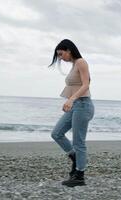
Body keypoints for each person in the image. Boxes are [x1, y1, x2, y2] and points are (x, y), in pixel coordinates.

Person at [48, 39, 95, 187]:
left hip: (83, 105)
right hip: (75, 105)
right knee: (56, 133)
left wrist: (71, 99)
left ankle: (79, 175)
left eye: (61, 54)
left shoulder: (81, 62)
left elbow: (86, 84)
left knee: (78, 142)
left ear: (69, 50)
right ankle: (75, 158)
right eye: (59, 56)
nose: (61, 58)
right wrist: (70, 101)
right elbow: (76, 85)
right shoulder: (74, 65)